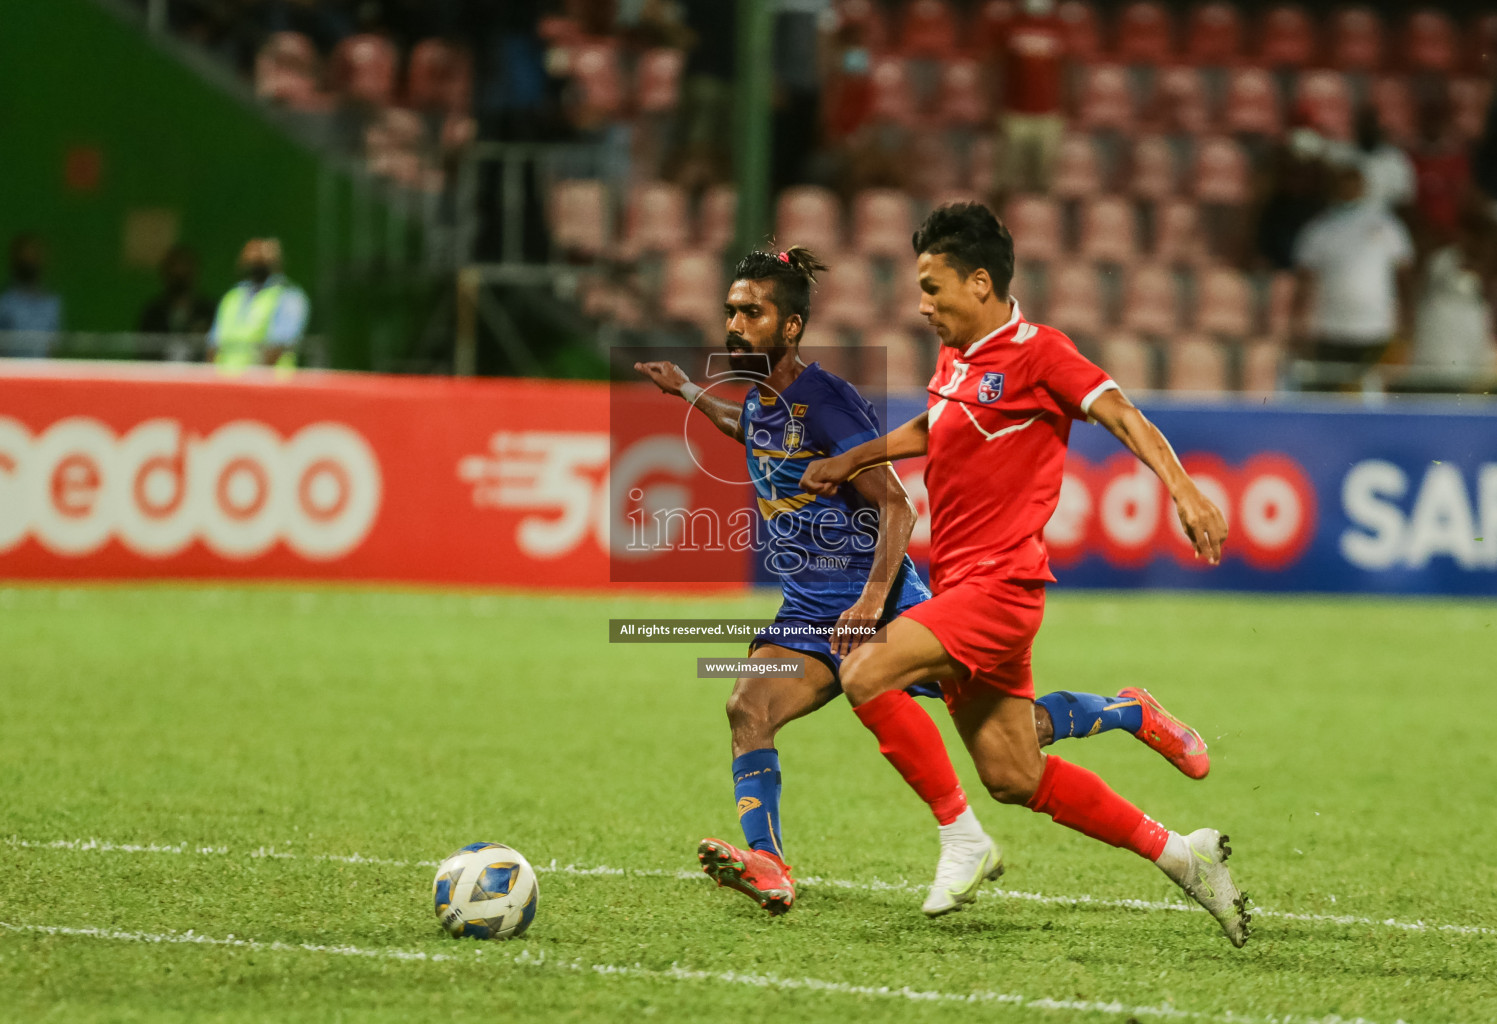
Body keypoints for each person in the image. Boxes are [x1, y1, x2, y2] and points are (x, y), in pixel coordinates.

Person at [635, 246, 1212, 918]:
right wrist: (685, 389)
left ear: (788, 328)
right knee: (747, 708)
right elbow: (747, 430)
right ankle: (769, 862)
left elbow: (896, 505)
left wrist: (871, 600)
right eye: (730, 310)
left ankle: (1127, 711)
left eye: (751, 312)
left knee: (1014, 743)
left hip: (873, 605)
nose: (734, 324)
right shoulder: (764, 403)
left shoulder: (823, 401)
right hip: (807, 612)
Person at [799, 204, 1251, 947]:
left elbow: (1123, 415)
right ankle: (1183, 855)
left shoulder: (1040, 353)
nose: (921, 304)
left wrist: (1183, 487)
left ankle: (959, 838)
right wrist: (854, 458)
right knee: (1013, 774)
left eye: (931, 287)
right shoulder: (956, 357)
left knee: (864, 672)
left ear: (980, 282)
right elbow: (934, 428)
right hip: (964, 590)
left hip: (1000, 588)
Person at [1291, 165, 1415, 392]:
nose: (1348, 189)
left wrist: (1407, 322)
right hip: (1331, 329)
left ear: (1363, 187)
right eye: (1343, 183)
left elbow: (1404, 276)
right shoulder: (1320, 229)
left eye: (1354, 183)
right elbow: (1305, 280)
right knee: (1331, 397)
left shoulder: (1387, 226)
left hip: (1375, 328)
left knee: (1374, 396)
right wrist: (1298, 325)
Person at [1405, 210, 1497, 392]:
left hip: (1472, 334)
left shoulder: (1488, 267)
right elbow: (1421, 294)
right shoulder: (1441, 260)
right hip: (1440, 332)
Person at [208, 238, 309, 371]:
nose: (254, 263)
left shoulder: (288, 296)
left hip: (270, 385)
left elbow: (280, 345)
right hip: (227, 384)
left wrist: (254, 381)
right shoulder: (232, 297)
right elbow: (214, 345)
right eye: (250, 258)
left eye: (260, 259)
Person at [999, 0, 1067, 195]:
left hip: (1049, 113)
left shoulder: (1059, 26)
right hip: (1014, 113)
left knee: (1044, 180)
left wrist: (1070, 105)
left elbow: (1068, 68)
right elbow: (994, 66)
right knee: (1007, 180)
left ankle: (1038, 221)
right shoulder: (1010, 26)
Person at [139, 245, 217, 360]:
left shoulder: (207, 310)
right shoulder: (153, 313)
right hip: (160, 374)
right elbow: (143, 350)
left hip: (196, 373)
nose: (179, 273)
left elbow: (214, 348)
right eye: (174, 269)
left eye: (184, 269)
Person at [0, 233, 63, 358]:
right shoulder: (5, 303)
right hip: (10, 374)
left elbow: (54, 346)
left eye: (34, 256)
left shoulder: (52, 304)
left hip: (42, 375)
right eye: (25, 257)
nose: (30, 261)